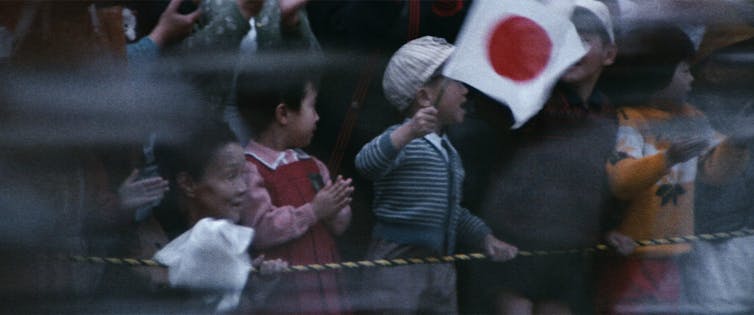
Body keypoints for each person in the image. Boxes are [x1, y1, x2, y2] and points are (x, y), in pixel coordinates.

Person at [470, 1, 633, 313]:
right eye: (564, 38)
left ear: (609, 54)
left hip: (570, 246)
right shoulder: (530, 103)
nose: (572, 48)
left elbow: (601, 179)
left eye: (584, 40)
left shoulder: (607, 113)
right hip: (516, 241)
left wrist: (607, 228)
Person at [354, 35, 518, 314]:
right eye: (455, 79)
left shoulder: (447, 151)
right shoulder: (403, 141)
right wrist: (407, 132)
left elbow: (453, 212)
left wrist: (485, 238)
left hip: (440, 263)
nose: (465, 89)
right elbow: (365, 163)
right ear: (424, 96)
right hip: (398, 265)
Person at [598, 23, 750, 314]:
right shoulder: (631, 120)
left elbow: (714, 173)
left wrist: (738, 143)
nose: (692, 79)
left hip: (675, 254)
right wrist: (667, 159)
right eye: (684, 70)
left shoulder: (693, 118)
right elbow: (621, 180)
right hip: (633, 254)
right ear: (659, 73)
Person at [236, 62, 354, 314]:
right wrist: (313, 210)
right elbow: (259, 229)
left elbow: (340, 226)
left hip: (325, 278)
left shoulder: (313, 165)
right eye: (312, 106)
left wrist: (338, 206)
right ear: (283, 114)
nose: (317, 116)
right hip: (285, 290)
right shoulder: (250, 168)